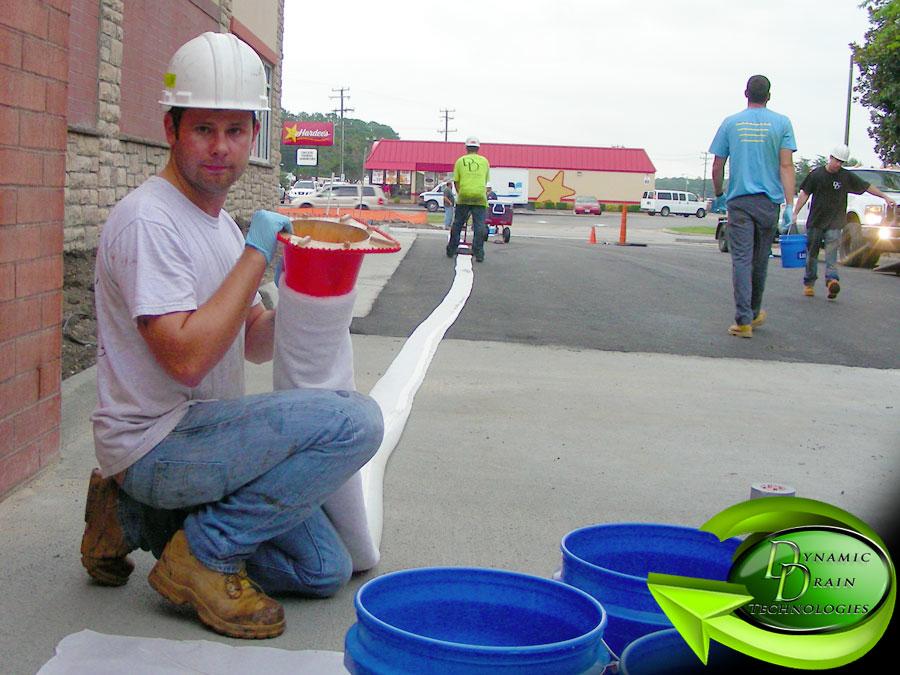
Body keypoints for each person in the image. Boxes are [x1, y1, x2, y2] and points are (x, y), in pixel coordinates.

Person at [79, 32, 384, 639]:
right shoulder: (150, 221)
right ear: (171, 130)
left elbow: (253, 341)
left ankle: (132, 517)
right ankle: (204, 552)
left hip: (205, 441)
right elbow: (188, 360)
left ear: (254, 136)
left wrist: (312, 291)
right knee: (356, 421)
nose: (221, 149)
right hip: (158, 442)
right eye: (203, 130)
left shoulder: (218, 227)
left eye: (236, 131)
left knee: (322, 567)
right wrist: (255, 255)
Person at [710, 75, 796, 338]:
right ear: (769, 95)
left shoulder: (731, 123)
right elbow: (786, 166)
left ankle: (744, 319)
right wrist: (790, 204)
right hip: (769, 202)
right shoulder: (782, 123)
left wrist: (719, 194)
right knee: (760, 260)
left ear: (745, 93)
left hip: (739, 201)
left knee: (741, 259)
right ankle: (754, 311)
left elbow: (717, 165)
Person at [789, 144, 895, 299]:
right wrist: (795, 212)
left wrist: (885, 197)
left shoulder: (845, 176)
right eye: (837, 160)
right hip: (816, 222)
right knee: (812, 253)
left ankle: (832, 280)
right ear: (830, 158)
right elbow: (804, 194)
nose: (838, 164)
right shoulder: (816, 175)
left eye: (841, 162)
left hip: (835, 222)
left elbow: (866, 187)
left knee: (831, 253)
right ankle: (809, 283)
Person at [447, 136, 491, 262]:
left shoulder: (460, 161)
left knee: (458, 224)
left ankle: (451, 249)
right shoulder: (484, 162)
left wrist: (461, 194)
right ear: (478, 148)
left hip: (464, 195)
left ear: (466, 148)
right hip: (479, 196)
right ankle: (479, 252)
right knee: (479, 226)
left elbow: (456, 182)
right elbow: (486, 182)